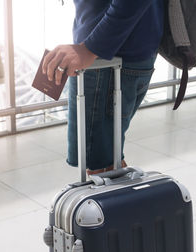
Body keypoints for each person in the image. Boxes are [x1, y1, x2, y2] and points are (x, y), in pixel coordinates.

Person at [42, 0, 164, 175]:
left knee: (102, 168)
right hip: (114, 53)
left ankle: (124, 201)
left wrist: (90, 48)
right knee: (106, 162)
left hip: (106, 59)